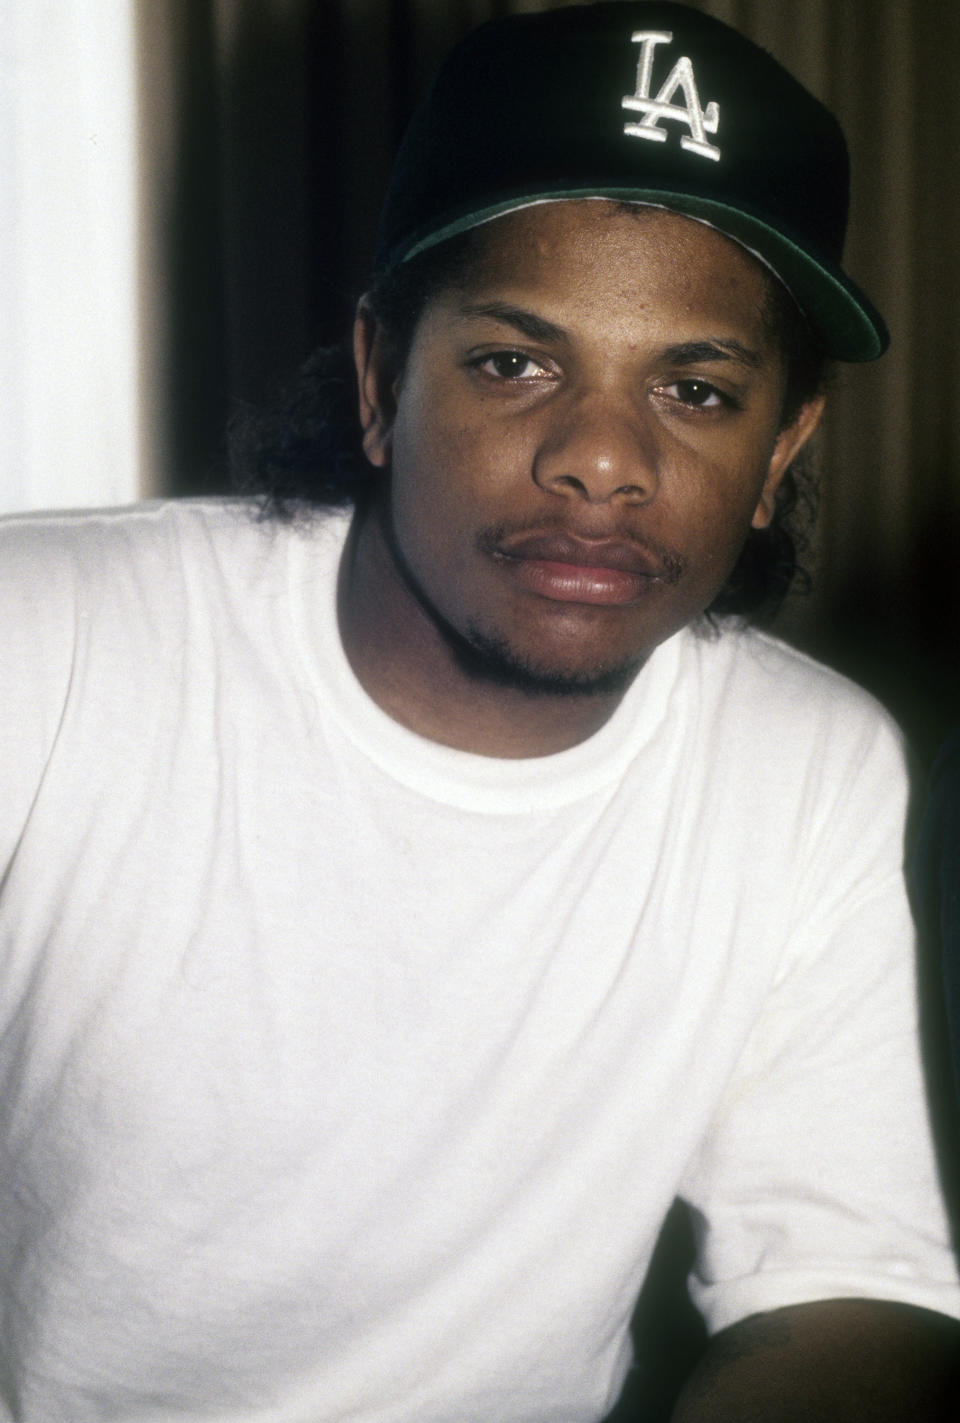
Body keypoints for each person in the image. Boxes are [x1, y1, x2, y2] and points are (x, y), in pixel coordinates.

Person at [0, 4, 958, 1419]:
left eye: (696, 389)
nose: (601, 460)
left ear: (780, 453)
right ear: (385, 380)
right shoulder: (46, 642)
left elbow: (846, 1287)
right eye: (515, 363)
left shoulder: (808, 766)